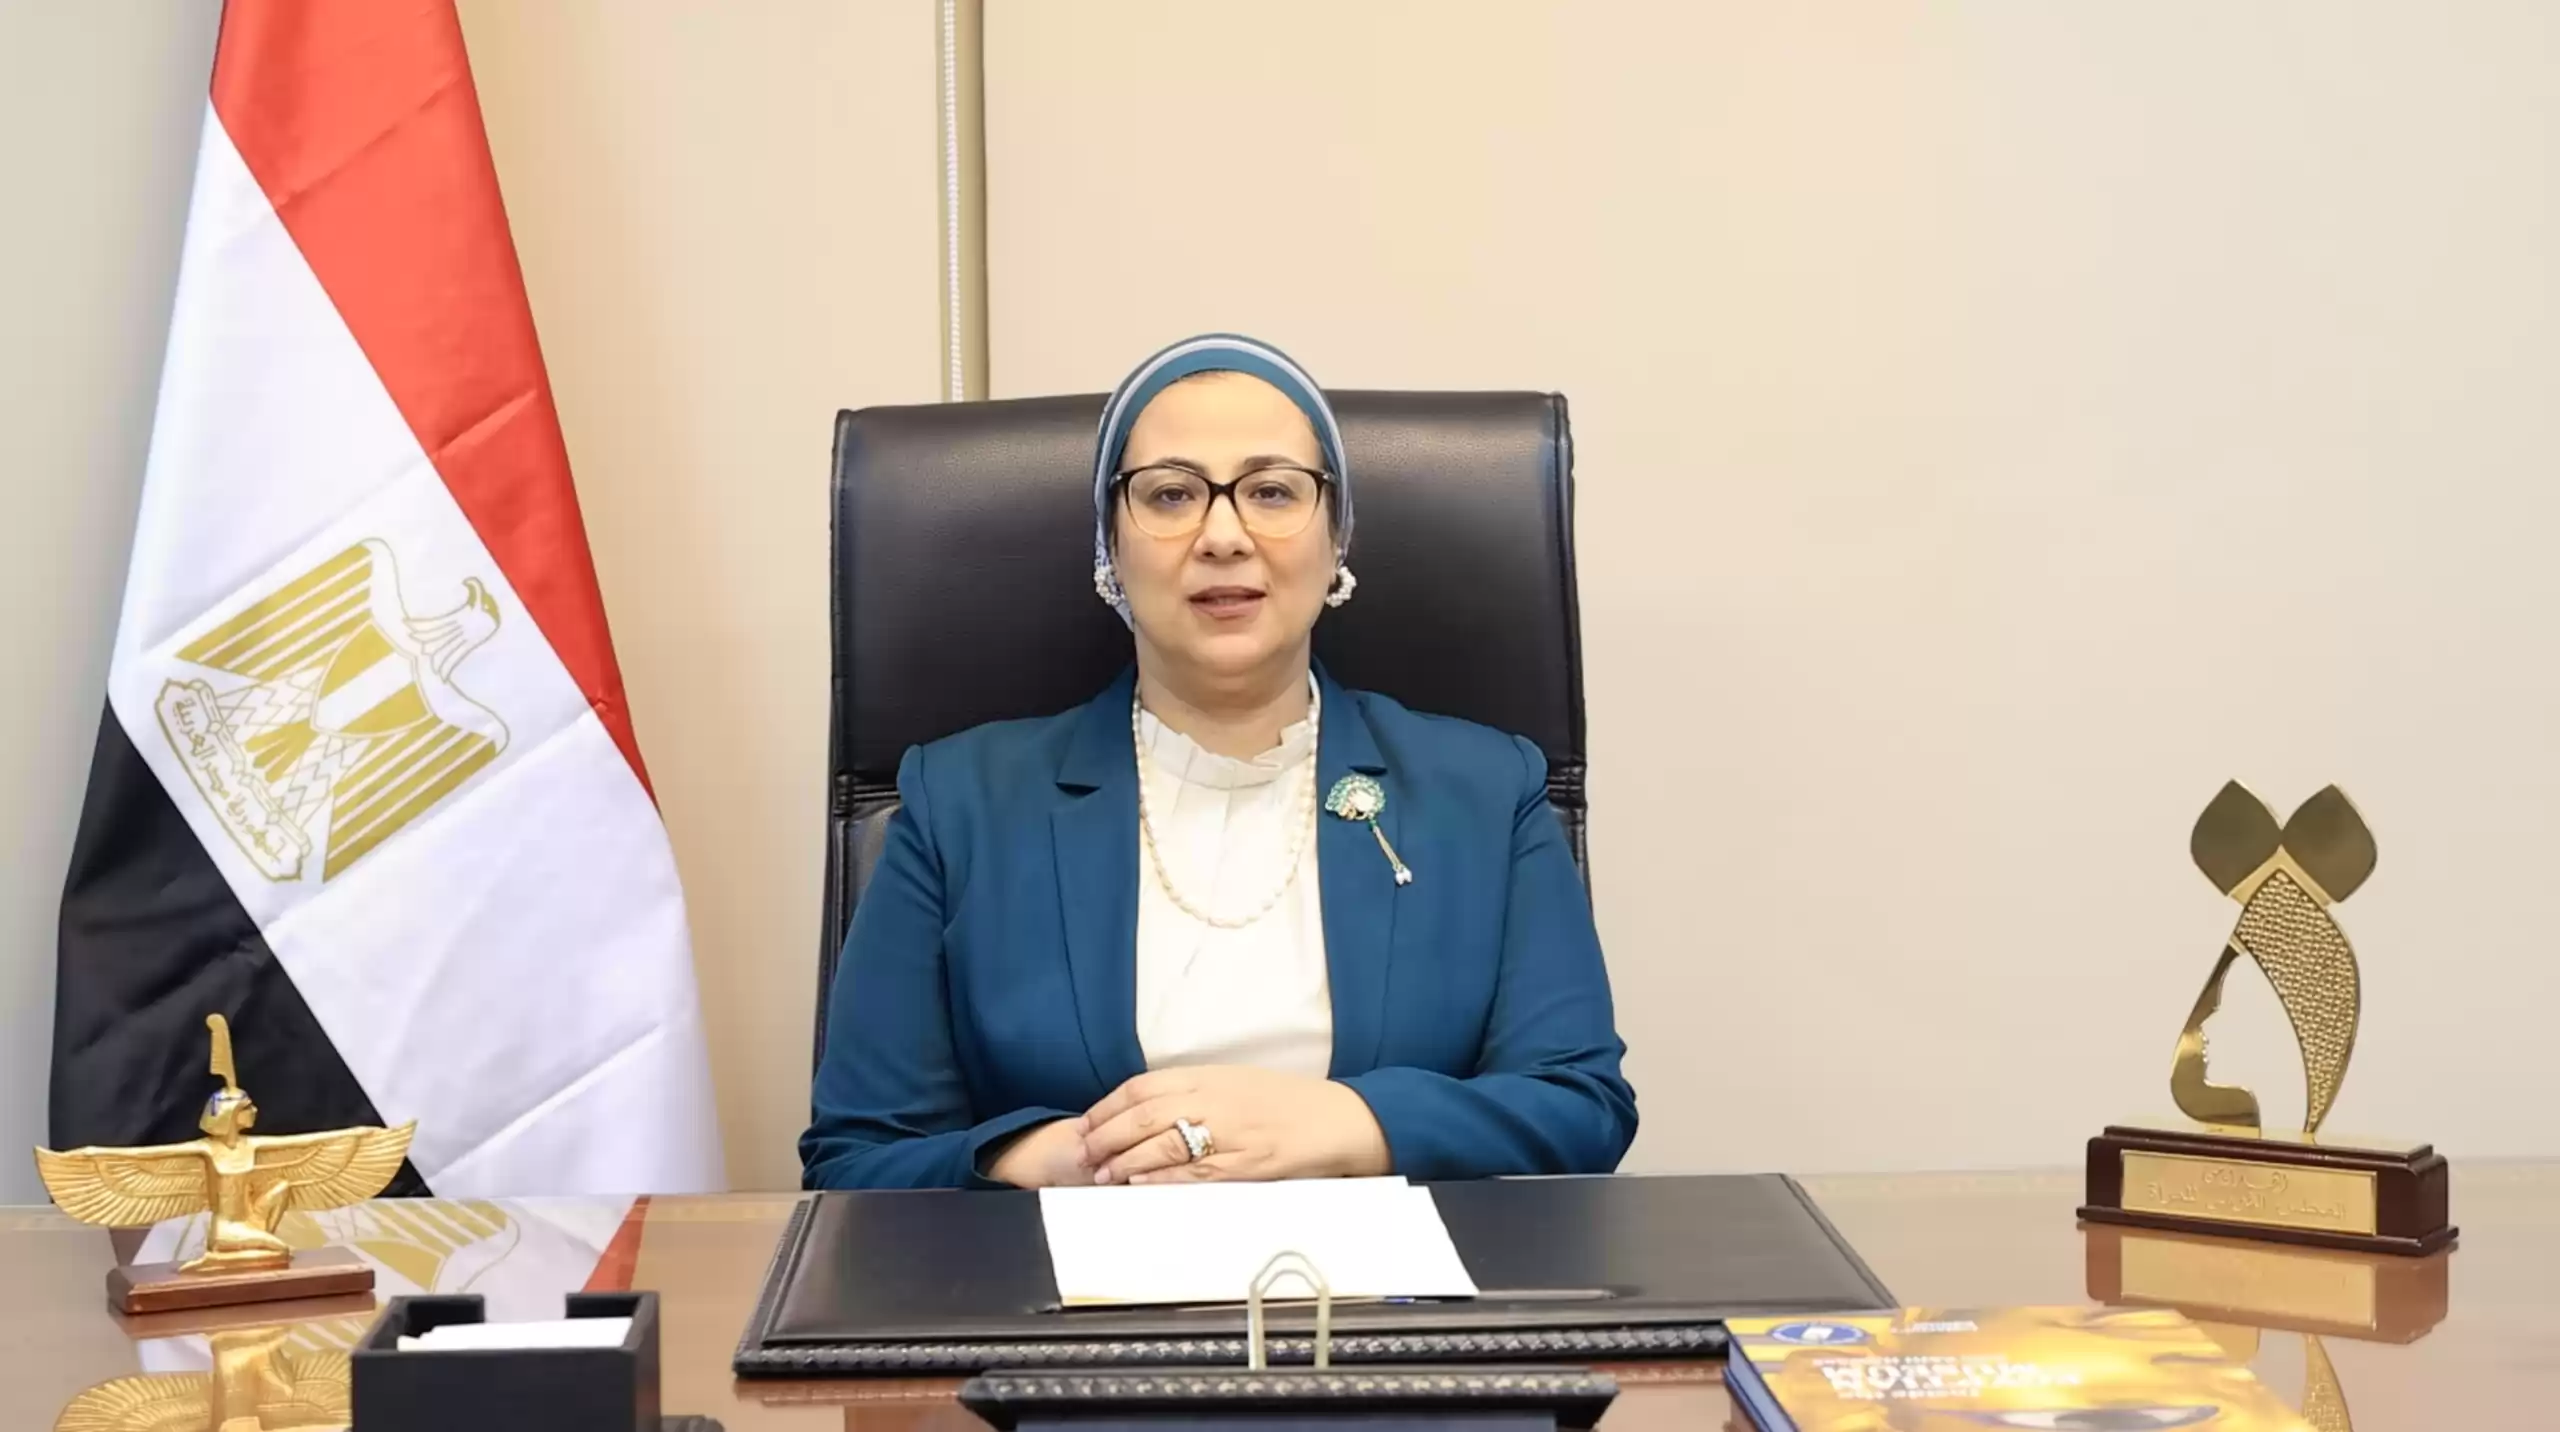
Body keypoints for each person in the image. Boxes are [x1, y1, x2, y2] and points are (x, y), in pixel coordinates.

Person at [800, 334, 1635, 1190]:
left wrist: (1346, 1123)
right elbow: (858, 1157)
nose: (1224, 535)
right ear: (1110, 546)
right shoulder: (961, 804)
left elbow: (1580, 1107)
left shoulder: (1486, 791)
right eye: (1171, 494)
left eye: (1272, 491)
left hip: (1387, 1275)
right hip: (1069, 1270)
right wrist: (1065, 1157)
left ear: (1337, 537)